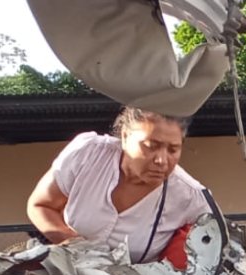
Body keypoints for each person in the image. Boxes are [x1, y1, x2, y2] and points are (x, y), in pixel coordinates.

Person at [27, 107, 212, 264]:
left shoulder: (192, 197)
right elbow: (41, 205)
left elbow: (212, 251)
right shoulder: (88, 153)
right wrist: (76, 247)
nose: (162, 160)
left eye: (173, 149)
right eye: (150, 145)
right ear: (125, 137)